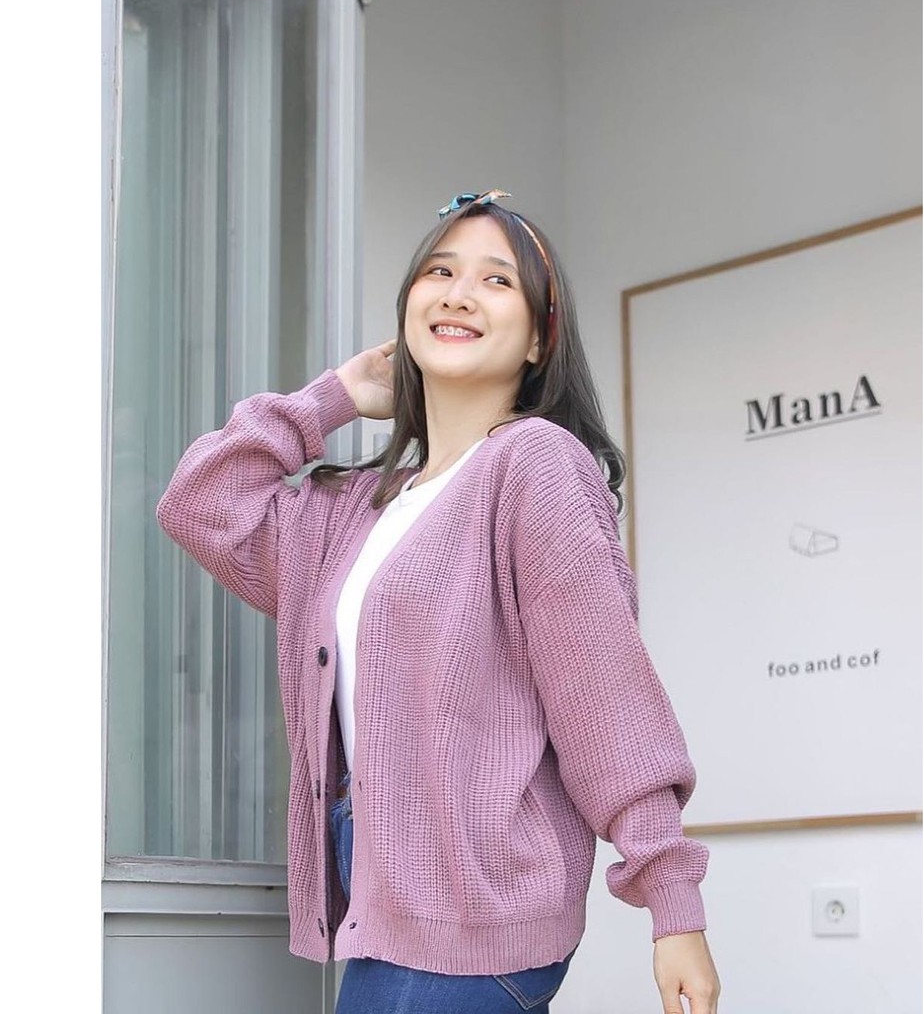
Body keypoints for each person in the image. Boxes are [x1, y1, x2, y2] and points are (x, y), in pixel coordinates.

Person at [157, 189, 721, 1014]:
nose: (459, 294)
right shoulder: (351, 508)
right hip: (388, 899)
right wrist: (333, 396)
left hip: (473, 907)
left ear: (540, 337)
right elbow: (200, 503)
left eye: (497, 280)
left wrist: (673, 904)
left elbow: (606, 700)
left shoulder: (534, 465)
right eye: (440, 271)